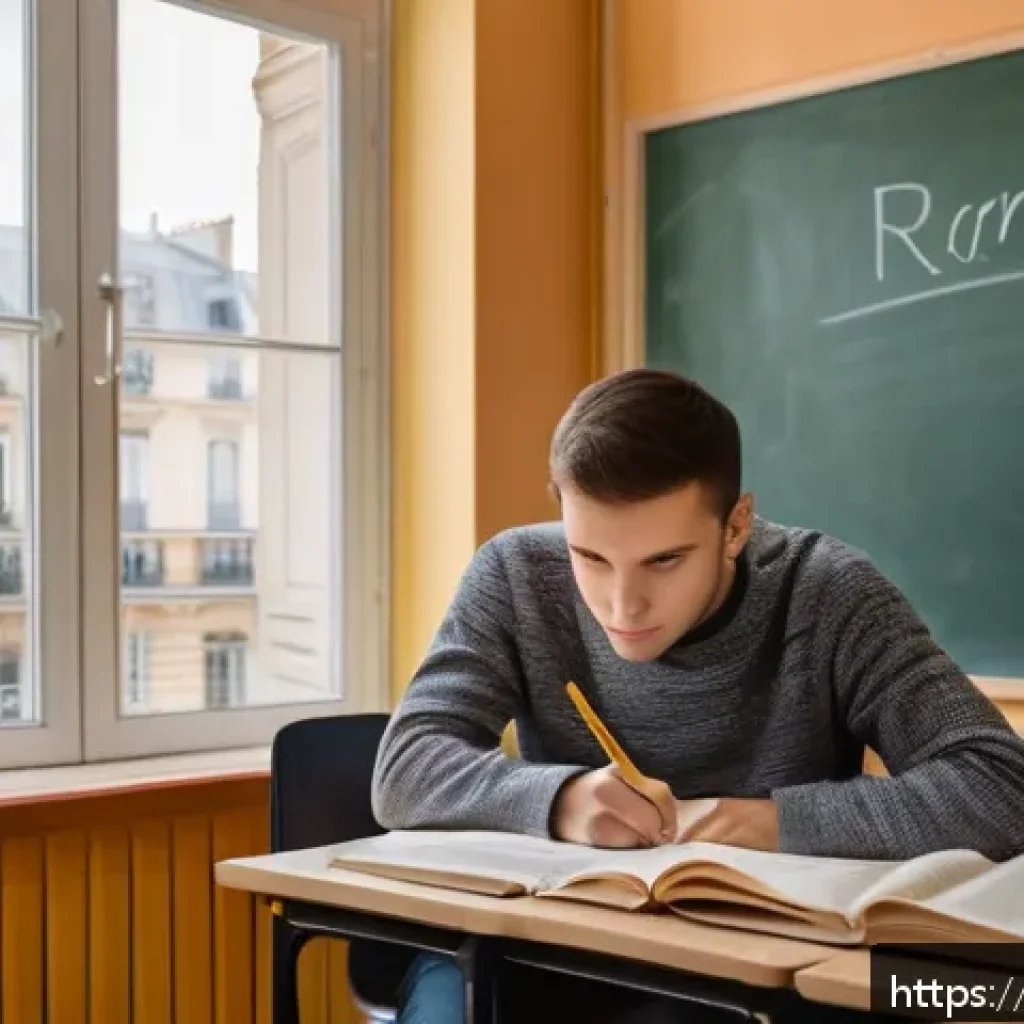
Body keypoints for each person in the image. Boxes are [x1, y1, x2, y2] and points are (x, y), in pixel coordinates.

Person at [371, 369, 1024, 1023]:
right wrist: (563, 801)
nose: (621, 606)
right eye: (590, 557)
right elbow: (405, 769)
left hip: (748, 968)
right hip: (538, 946)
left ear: (735, 526)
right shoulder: (514, 573)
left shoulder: (828, 593)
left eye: (664, 561)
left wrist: (758, 822)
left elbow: (1001, 788)